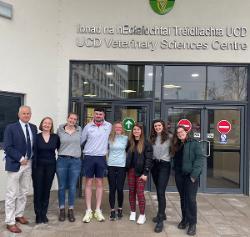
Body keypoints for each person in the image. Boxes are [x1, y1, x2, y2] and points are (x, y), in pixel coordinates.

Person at [3, 105, 37, 233]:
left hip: (29, 164)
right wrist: (20, 158)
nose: (26, 115)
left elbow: (34, 146)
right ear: (19, 115)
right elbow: (8, 146)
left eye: (28, 113)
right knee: (12, 193)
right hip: (16, 164)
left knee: (24, 191)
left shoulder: (33, 128)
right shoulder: (11, 128)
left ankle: (19, 214)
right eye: (24, 113)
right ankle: (10, 221)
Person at [171, 125, 203, 236]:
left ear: (186, 131)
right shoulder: (176, 144)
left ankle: (193, 223)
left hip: (191, 176)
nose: (180, 134)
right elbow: (173, 158)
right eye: (178, 132)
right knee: (183, 198)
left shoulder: (194, 143)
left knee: (191, 199)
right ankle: (185, 219)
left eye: (181, 131)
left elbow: (200, 159)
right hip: (179, 175)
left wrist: (194, 175)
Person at [81, 107, 112, 223]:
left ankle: (98, 209)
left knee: (100, 183)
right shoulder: (87, 127)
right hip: (89, 157)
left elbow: (111, 139)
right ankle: (88, 210)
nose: (98, 116)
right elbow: (82, 141)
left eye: (100, 114)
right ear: (93, 115)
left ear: (104, 115)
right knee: (88, 183)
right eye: (97, 114)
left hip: (101, 157)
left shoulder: (108, 126)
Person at [32, 117, 60, 224]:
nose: (47, 125)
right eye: (45, 123)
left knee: (46, 190)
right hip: (38, 166)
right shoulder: (36, 137)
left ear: (51, 126)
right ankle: (38, 215)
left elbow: (58, 148)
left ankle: (44, 214)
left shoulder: (55, 137)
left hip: (50, 166)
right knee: (38, 190)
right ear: (41, 124)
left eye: (49, 123)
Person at [57, 112, 82, 222]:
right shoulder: (60, 130)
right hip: (62, 160)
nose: (72, 120)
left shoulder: (80, 130)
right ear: (67, 119)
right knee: (62, 186)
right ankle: (62, 209)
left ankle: (71, 210)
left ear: (76, 121)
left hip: (75, 161)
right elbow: (55, 143)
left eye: (74, 119)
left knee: (72, 186)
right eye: (71, 118)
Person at [126, 123, 153, 225]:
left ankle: (142, 215)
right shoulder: (130, 142)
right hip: (131, 171)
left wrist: (145, 172)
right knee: (131, 191)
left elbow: (149, 159)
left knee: (140, 193)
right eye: (134, 129)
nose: (136, 131)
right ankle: (132, 211)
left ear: (141, 131)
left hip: (141, 172)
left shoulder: (146, 143)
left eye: (138, 130)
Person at [149, 119, 172, 233]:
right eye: (155, 126)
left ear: (163, 126)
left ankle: (160, 221)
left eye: (159, 125)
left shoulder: (170, 137)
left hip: (164, 165)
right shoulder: (151, 138)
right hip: (154, 166)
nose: (157, 127)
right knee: (158, 191)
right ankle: (161, 213)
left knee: (161, 191)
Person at [107, 121, 128, 221]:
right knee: (112, 189)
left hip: (121, 166)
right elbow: (105, 150)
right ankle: (112, 210)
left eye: (120, 127)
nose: (118, 129)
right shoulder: (109, 138)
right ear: (114, 129)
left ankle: (120, 208)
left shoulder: (126, 139)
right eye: (116, 127)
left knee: (120, 188)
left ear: (122, 128)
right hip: (111, 165)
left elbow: (129, 150)